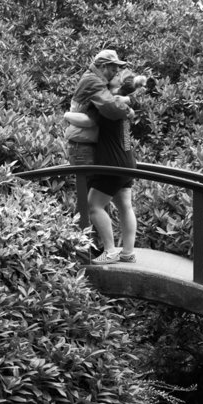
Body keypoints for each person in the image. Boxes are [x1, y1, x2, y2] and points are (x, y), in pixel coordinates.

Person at [65, 49, 142, 265]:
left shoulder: (109, 106)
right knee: (125, 205)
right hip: (128, 160)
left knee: (93, 206)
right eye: (113, 69)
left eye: (117, 72)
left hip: (112, 162)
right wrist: (129, 103)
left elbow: (91, 119)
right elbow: (121, 102)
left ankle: (109, 251)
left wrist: (67, 115)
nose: (114, 74)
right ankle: (128, 252)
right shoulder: (123, 104)